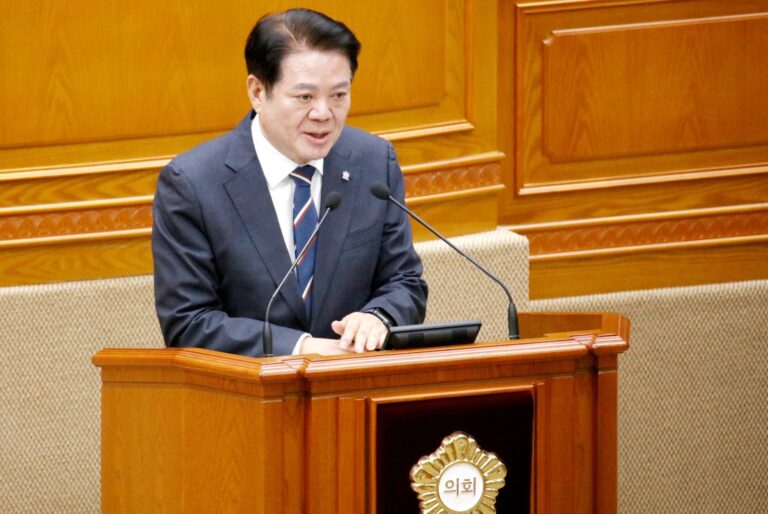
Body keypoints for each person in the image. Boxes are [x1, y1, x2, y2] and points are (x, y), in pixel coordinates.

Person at [151, 8, 427, 357]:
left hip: (356, 383)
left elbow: (404, 282)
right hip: (248, 388)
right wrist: (301, 348)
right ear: (257, 91)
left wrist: (379, 317)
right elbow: (188, 322)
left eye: (338, 95)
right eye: (305, 97)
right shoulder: (193, 184)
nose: (323, 114)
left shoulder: (373, 163)